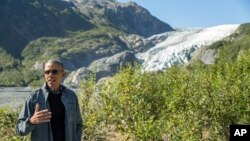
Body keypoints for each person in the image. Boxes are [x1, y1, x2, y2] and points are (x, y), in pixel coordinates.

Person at [16, 59, 83, 141]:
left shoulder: (71, 96)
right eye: (47, 72)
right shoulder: (34, 97)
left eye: (54, 71)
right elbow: (19, 130)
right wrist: (31, 121)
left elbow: (78, 124)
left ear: (63, 74)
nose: (50, 75)